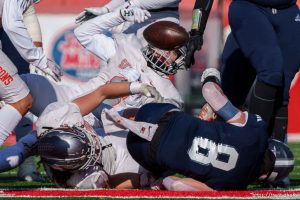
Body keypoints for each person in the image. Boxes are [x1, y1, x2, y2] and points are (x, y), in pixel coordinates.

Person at [103, 68, 294, 191]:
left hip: (157, 115)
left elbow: (210, 92)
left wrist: (211, 75)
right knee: (155, 176)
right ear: (265, 177)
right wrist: (162, 180)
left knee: (201, 115)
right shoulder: (234, 186)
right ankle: (119, 176)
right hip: (144, 152)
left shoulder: (257, 131)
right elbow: (177, 185)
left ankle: (109, 116)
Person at [0, 75, 162, 189]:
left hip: (99, 133)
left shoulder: (56, 118)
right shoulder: (79, 180)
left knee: (26, 145)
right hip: (115, 163)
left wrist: (136, 87)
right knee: (156, 164)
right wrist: (144, 179)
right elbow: (112, 182)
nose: (94, 149)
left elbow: (101, 92)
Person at [74, 11, 190, 110]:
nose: (168, 54)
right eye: (168, 49)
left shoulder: (169, 93)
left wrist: (135, 95)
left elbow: (153, 122)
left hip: (111, 131)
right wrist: (119, 14)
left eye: (175, 54)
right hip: (79, 106)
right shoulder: (127, 46)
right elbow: (82, 33)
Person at [220, 0, 300, 143]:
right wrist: (197, 29)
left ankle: (276, 148)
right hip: (249, 6)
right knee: (269, 72)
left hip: (288, 11)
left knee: (283, 87)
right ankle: (253, 144)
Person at [0, 0, 63, 147]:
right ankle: (26, 163)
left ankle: (26, 164)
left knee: (20, 93)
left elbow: (27, 12)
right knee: (21, 98)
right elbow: (12, 24)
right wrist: (39, 60)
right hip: (9, 28)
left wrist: (37, 53)